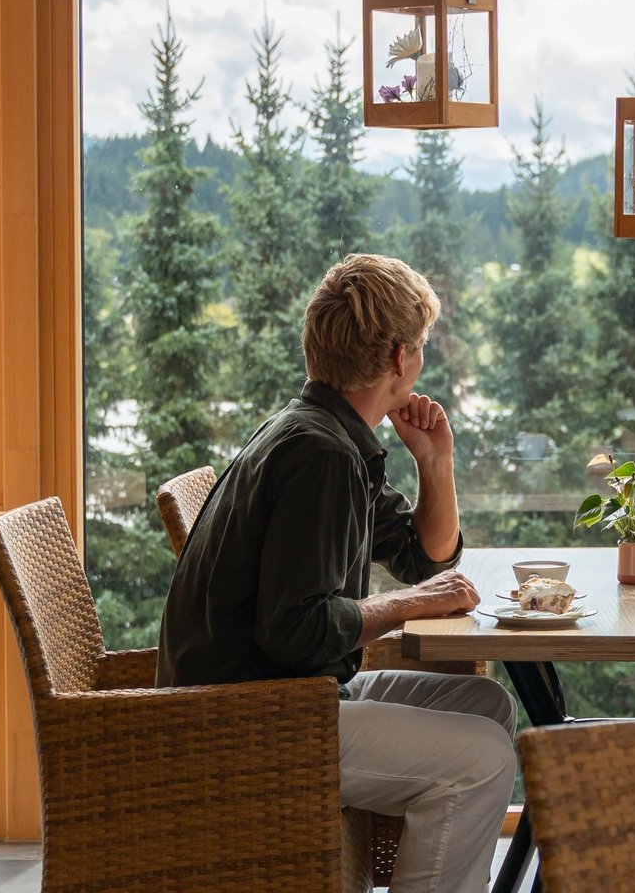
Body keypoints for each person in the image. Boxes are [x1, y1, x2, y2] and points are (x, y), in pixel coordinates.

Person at [157, 254, 514, 893]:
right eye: (423, 347)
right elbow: (295, 632)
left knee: (485, 707)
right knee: (483, 761)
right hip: (250, 719)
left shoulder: (325, 434)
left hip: (279, 696)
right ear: (401, 359)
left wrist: (435, 464)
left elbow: (424, 557)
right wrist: (408, 606)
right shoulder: (320, 455)